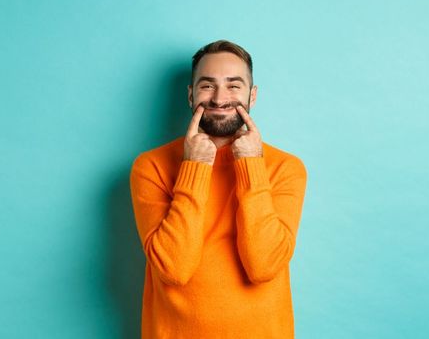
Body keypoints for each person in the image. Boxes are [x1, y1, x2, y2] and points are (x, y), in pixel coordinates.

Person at [129, 40, 308, 338]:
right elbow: (174, 269)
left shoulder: (286, 168)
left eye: (234, 86)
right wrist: (195, 166)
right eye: (207, 86)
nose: (219, 98)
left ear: (252, 95)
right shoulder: (151, 167)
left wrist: (251, 165)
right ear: (190, 95)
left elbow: (263, 266)